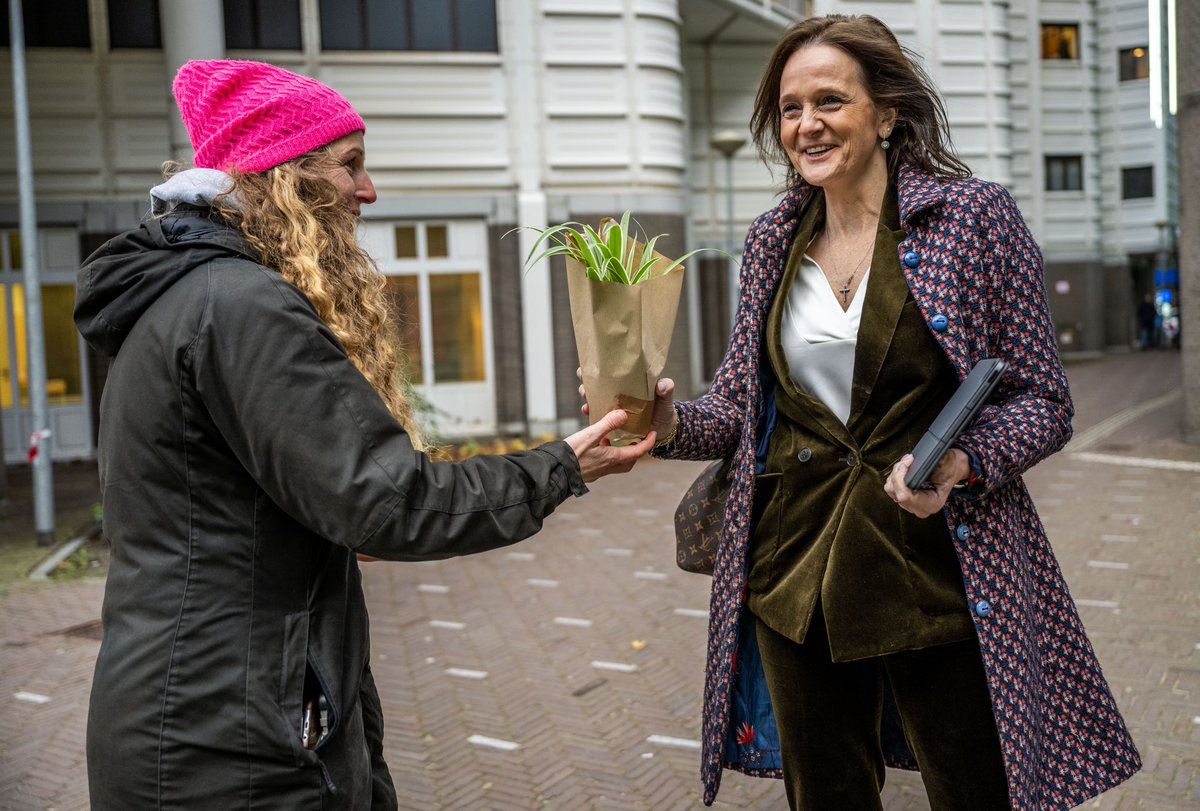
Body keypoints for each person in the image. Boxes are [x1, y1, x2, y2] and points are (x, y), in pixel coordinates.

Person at [74, 59, 653, 810]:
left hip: (196, 717)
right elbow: (388, 504)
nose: (367, 190)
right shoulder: (243, 306)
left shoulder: (187, 295)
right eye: (350, 165)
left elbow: (313, 507)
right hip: (234, 749)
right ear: (285, 175)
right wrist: (562, 464)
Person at [640, 15, 1141, 810]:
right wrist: (664, 423)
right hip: (791, 567)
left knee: (976, 786)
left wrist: (962, 461)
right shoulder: (772, 238)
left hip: (936, 562)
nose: (806, 124)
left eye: (830, 100)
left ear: (886, 112)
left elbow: (1043, 399)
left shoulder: (971, 221)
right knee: (826, 793)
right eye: (790, 106)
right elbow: (738, 405)